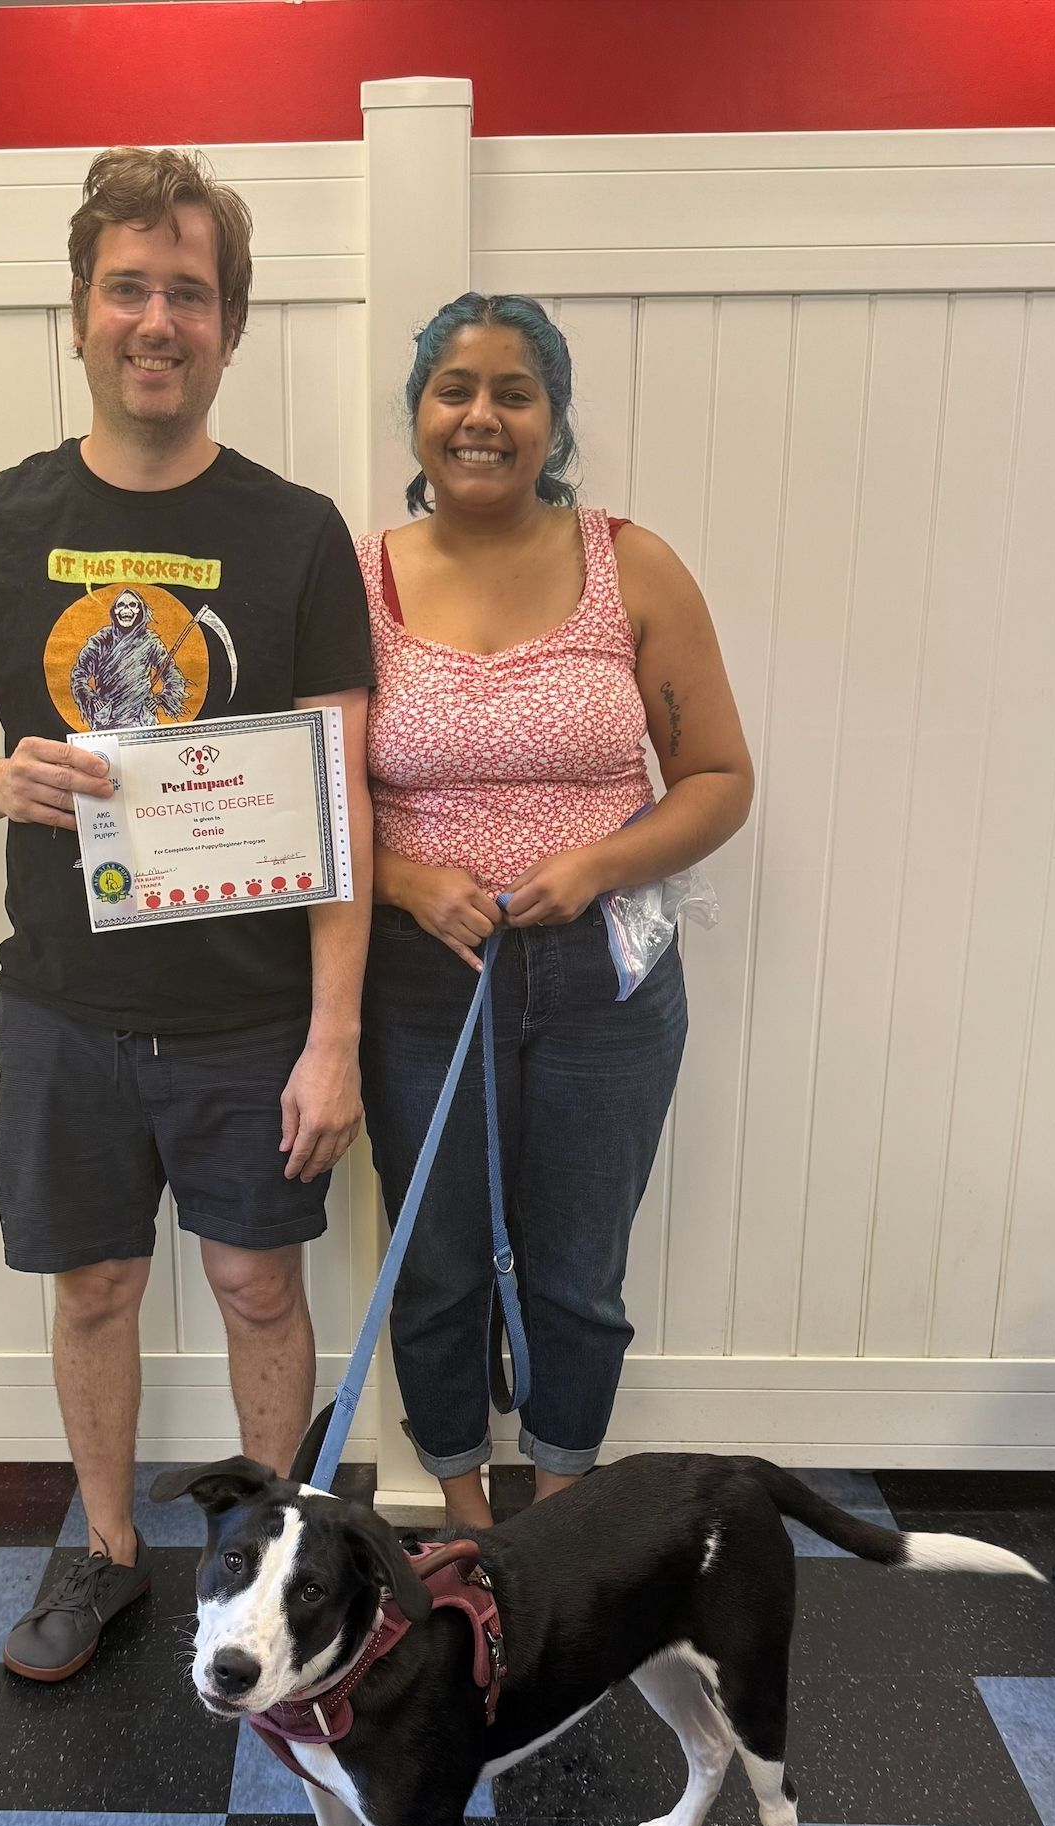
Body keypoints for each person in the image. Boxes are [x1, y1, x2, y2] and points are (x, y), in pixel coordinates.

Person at [0, 149, 374, 1681]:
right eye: (128, 287)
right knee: (94, 1284)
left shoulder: (299, 533)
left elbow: (339, 802)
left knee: (256, 1286)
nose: (155, 318)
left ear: (229, 326)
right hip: (63, 1008)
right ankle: (104, 1556)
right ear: (79, 313)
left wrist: (335, 1037)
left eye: (188, 291)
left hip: (247, 1017)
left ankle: (277, 1583)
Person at [357, 292, 754, 1533]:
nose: (480, 416)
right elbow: (300, 801)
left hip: (605, 979)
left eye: (512, 392)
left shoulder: (629, 564)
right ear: (418, 414)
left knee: (580, 1270)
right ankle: (468, 1523)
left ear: (553, 418)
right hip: (421, 979)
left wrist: (598, 863)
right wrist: (407, 880)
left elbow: (720, 780)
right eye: (453, 390)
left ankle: (563, 1519)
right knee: (437, 1269)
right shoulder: (357, 578)